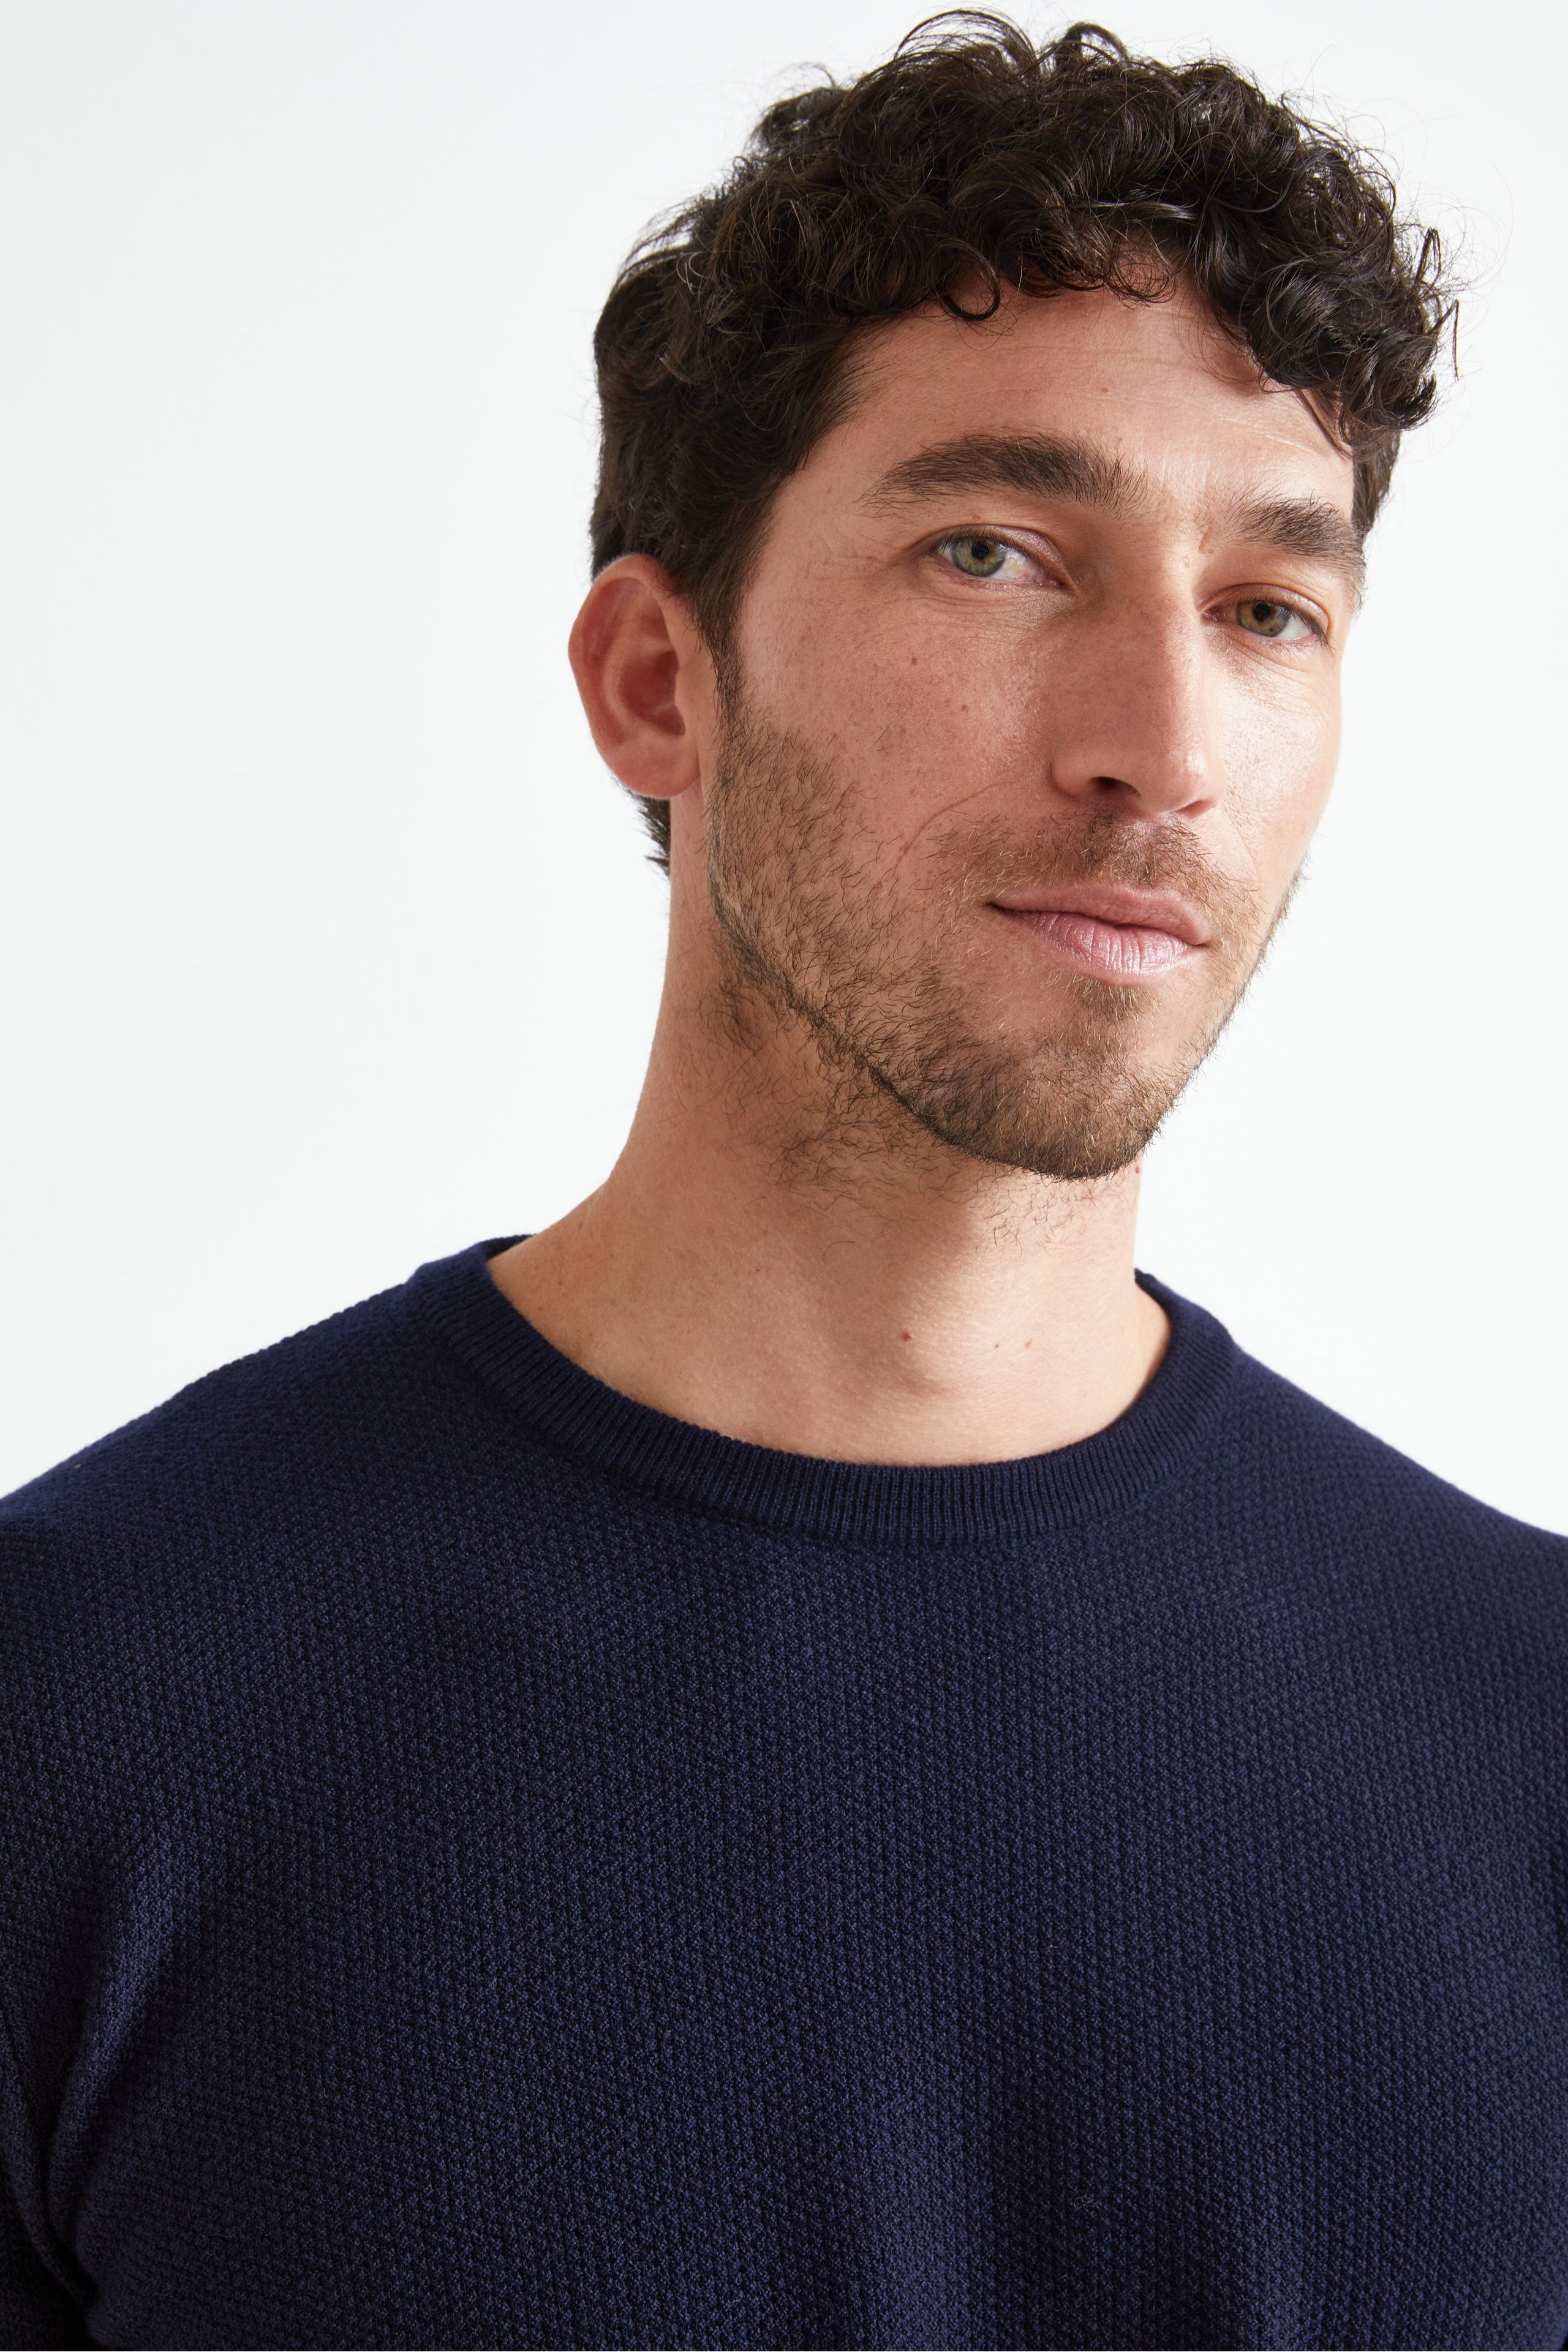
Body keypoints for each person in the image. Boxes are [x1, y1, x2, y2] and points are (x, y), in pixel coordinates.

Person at [1, 15, 1562, 2349]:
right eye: (995, 553)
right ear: (659, 679)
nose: (1161, 747)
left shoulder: (1529, 1743)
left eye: (1267, 607)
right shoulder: (84, 1714)